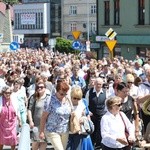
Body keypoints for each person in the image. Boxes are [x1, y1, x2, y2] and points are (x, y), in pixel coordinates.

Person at [39, 81, 70, 150]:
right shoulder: (50, 100)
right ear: (57, 91)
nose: (63, 96)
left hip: (65, 130)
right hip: (53, 130)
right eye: (62, 94)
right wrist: (41, 131)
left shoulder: (68, 99)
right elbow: (44, 117)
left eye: (65, 94)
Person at [27, 80, 51, 150]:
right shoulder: (33, 97)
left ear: (45, 88)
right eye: (38, 87)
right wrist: (31, 121)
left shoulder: (48, 98)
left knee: (44, 142)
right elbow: (29, 110)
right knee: (36, 142)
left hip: (46, 124)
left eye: (41, 87)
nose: (39, 88)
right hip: (36, 124)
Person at [85, 77, 107, 149]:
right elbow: (86, 104)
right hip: (92, 116)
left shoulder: (105, 92)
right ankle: (91, 146)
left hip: (101, 115)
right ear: (94, 84)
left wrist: (105, 113)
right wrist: (88, 112)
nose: (98, 86)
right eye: (97, 84)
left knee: (100, 131)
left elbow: (106, 104)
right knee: (92, 131)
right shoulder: (89, 92)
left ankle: (98, 146)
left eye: (100, 84)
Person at [0, 85, 20, 150]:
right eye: (6, 93)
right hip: (2, 124)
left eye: (9, 93)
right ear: (3, 93)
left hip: (12, 124)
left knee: (13, 138)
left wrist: (20, 121)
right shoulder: (0, 100)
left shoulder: (14, 99)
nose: (8, 94)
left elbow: (17, 111)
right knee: (1, 139)